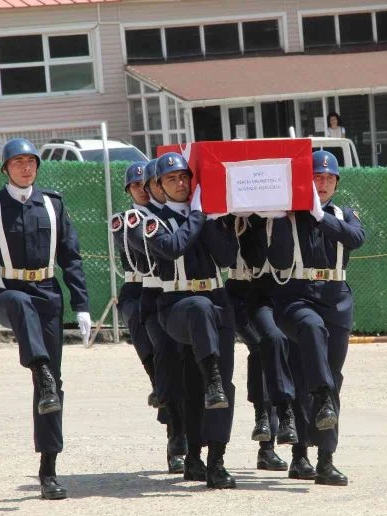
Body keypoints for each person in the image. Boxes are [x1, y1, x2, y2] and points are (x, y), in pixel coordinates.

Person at [0, 138, 91, 500]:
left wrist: (81, 305)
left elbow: (72, 258)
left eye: (31, 161)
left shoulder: (52, 204)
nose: (26, 167)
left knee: (52, 388)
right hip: (6, 292)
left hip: (47, 294)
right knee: (20, 303)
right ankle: (40, 369)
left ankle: (48, 469)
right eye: (18, 161)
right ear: (5, 168)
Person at [267, 150, 366, 486]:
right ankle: (299, 455)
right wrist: (281, 218)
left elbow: (356, 238)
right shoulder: (289, 215)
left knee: (331, 375)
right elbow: (275, 256)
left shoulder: (344, 214)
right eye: (316, 178)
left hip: (336, 297)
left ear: (336, 183)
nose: (322, 184)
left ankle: (325, 459)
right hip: (297, 294)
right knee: (305, 364)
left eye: (328, 179)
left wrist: (320, 217)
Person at [144, 152, 239, 489]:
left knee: (220, 388)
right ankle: (194, 451)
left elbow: (228, 257)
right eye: (172, 179)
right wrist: (198, 216)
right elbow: (173, 247)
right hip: (176, 304)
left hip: (217, 300)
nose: (181, 184)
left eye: (185, 177)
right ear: (158, 185)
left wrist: (210, 219)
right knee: (197, 311)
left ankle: (212, 461)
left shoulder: (210, 217)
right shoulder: (151, 220)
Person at [110, 160, 186, 475]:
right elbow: (137, 250)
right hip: (139, 289)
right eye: (136, 186)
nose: (143, 190)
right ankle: (160, 389)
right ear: (128, 190)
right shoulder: (127, 219)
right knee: (154, 352)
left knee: (177, 363)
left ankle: (170, 408)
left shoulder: (171, 215)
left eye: (147, 184)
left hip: (170, 289)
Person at [226, 213, 299, 472]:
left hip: (272, 291)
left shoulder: (280, 216)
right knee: (260, 347)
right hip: (237, 292)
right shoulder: (232, 216)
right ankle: (263, 423)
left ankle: (268, 441)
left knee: (275, 350)